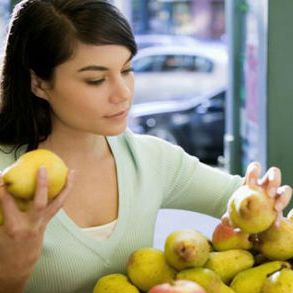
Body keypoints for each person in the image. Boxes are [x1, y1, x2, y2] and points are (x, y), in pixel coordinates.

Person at [0, 1, 291, 293]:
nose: (123, 93)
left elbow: (241, 200)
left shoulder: (150, 159)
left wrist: (265, 199)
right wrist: (12, 269)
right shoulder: (6, 180)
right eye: (96, 80)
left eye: (127, 69)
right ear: (38, 82)